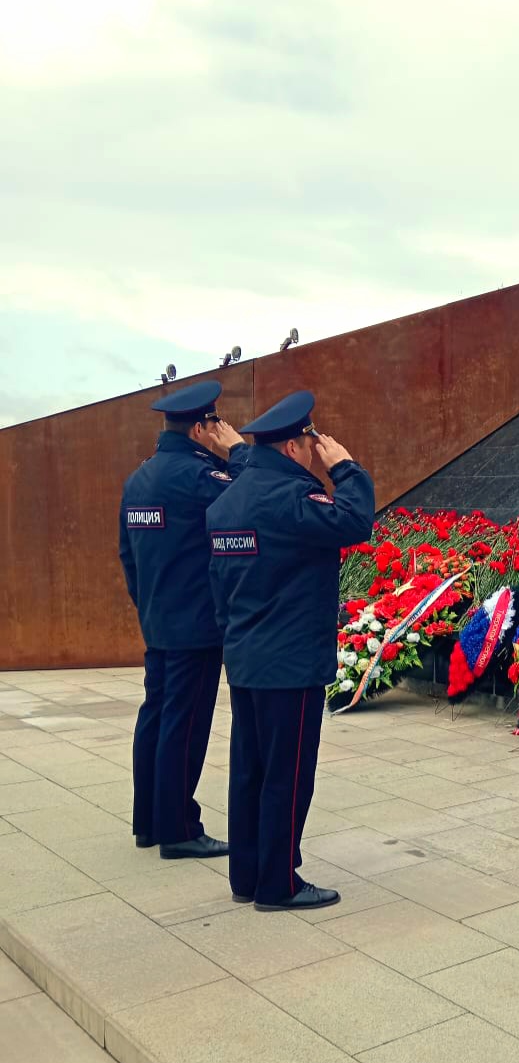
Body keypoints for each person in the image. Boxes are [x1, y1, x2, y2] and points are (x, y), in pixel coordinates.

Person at [206, 390, 375, 911]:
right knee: (288, 774)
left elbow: (219, 589)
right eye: (311, 440)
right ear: (294, 447)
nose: (315, 449)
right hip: (290, 662)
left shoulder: (226, 501)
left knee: (250, 770)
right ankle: (279, 884)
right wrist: (345, 468)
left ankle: (248, 877)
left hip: (248, 658)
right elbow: (354, 522)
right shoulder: (290, 499)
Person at [119, 379, 248, 858]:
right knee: (185, 723)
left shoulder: (140, 478)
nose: (220, 430)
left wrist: (148, 604)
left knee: (155, 715)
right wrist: (236, 453)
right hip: (197, 624)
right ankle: (177, 829)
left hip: (158, 621)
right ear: (200, 427)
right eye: (215, 422)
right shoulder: (202, 478)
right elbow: (253, 496)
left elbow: (126, 555)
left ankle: (149, 821)